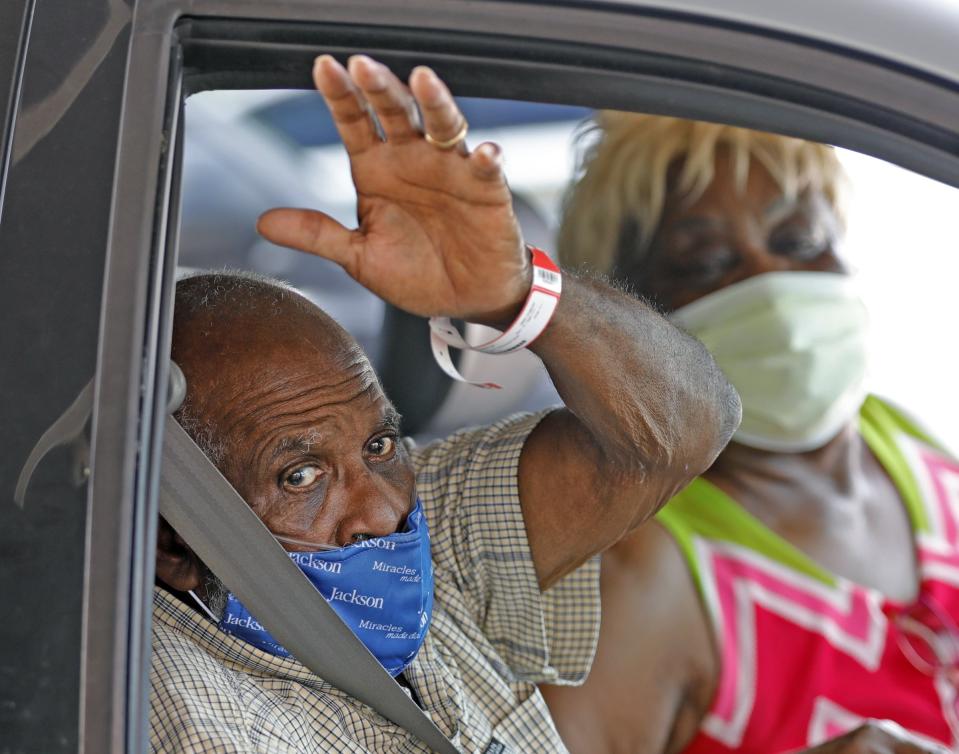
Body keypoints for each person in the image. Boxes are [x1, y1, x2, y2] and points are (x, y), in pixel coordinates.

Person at [149, 58, 740, 753]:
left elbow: (678, 431)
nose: (382, 510)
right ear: (173, 546)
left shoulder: (418, 540)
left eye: (378, 445)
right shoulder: (196, 719)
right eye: (299, 476)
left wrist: (518, 295)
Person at [540, 113, 959, 753]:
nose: (768, 281)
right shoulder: (644, 577)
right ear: (626, 325)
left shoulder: (910, 447)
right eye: (706, 263)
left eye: (798, 239)